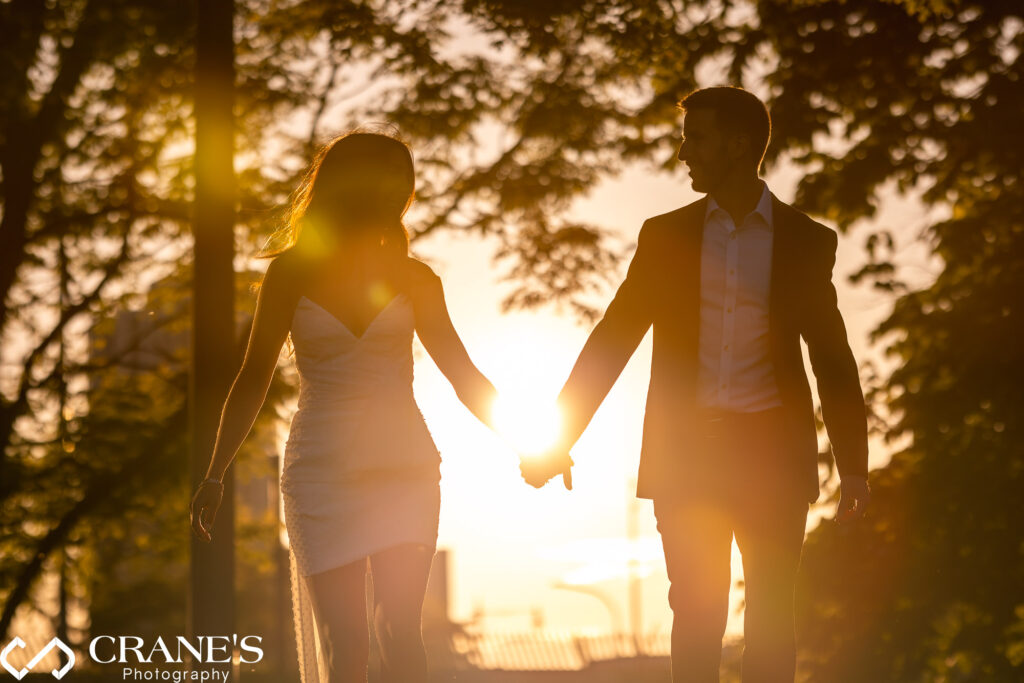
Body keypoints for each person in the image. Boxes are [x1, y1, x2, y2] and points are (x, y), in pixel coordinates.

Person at [521, 86, 872, 682]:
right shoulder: (666, 236)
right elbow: (614, 338)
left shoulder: (806, 241)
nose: (684, 153)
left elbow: (832, 358)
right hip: (687, 458)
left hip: (772, 456)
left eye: (696, 138)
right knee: (697, 615)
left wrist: (855, 466)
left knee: (770, 619)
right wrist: (557, 437)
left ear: (738, 145)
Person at [189, 131, 502, 683]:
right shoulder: (288, 275)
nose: (396, 193)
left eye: (401, 184)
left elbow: (463, 375)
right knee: (347, 640)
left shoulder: (416, 280)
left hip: (404, 468)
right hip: (321, 473)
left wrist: (535, 443)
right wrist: (215, 473)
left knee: (400, 629)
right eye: (386, 180)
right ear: (346, 186)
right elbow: (252, 379)